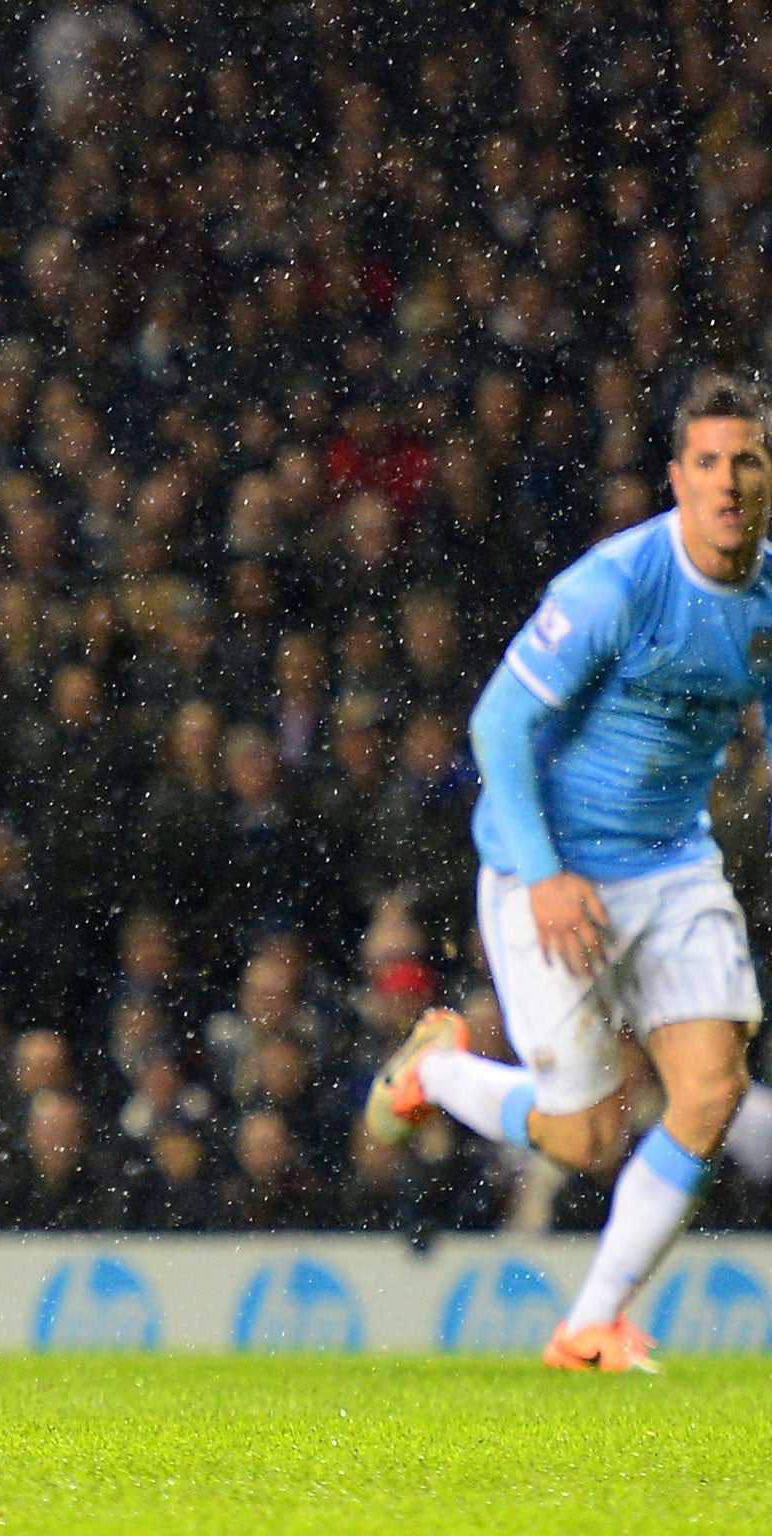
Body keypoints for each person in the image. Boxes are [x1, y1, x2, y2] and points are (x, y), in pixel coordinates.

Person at [366, 372, 772, 1372]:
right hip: (545, 869)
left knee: (709, 1090)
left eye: (746, 461)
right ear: (676, 479)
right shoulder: (616, 584)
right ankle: (435, 1069)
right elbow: (497, 721)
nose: (726, 482)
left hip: (671, 862)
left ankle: (587, 1322)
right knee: (586, 1139)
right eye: (707, 462)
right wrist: (543, 875)